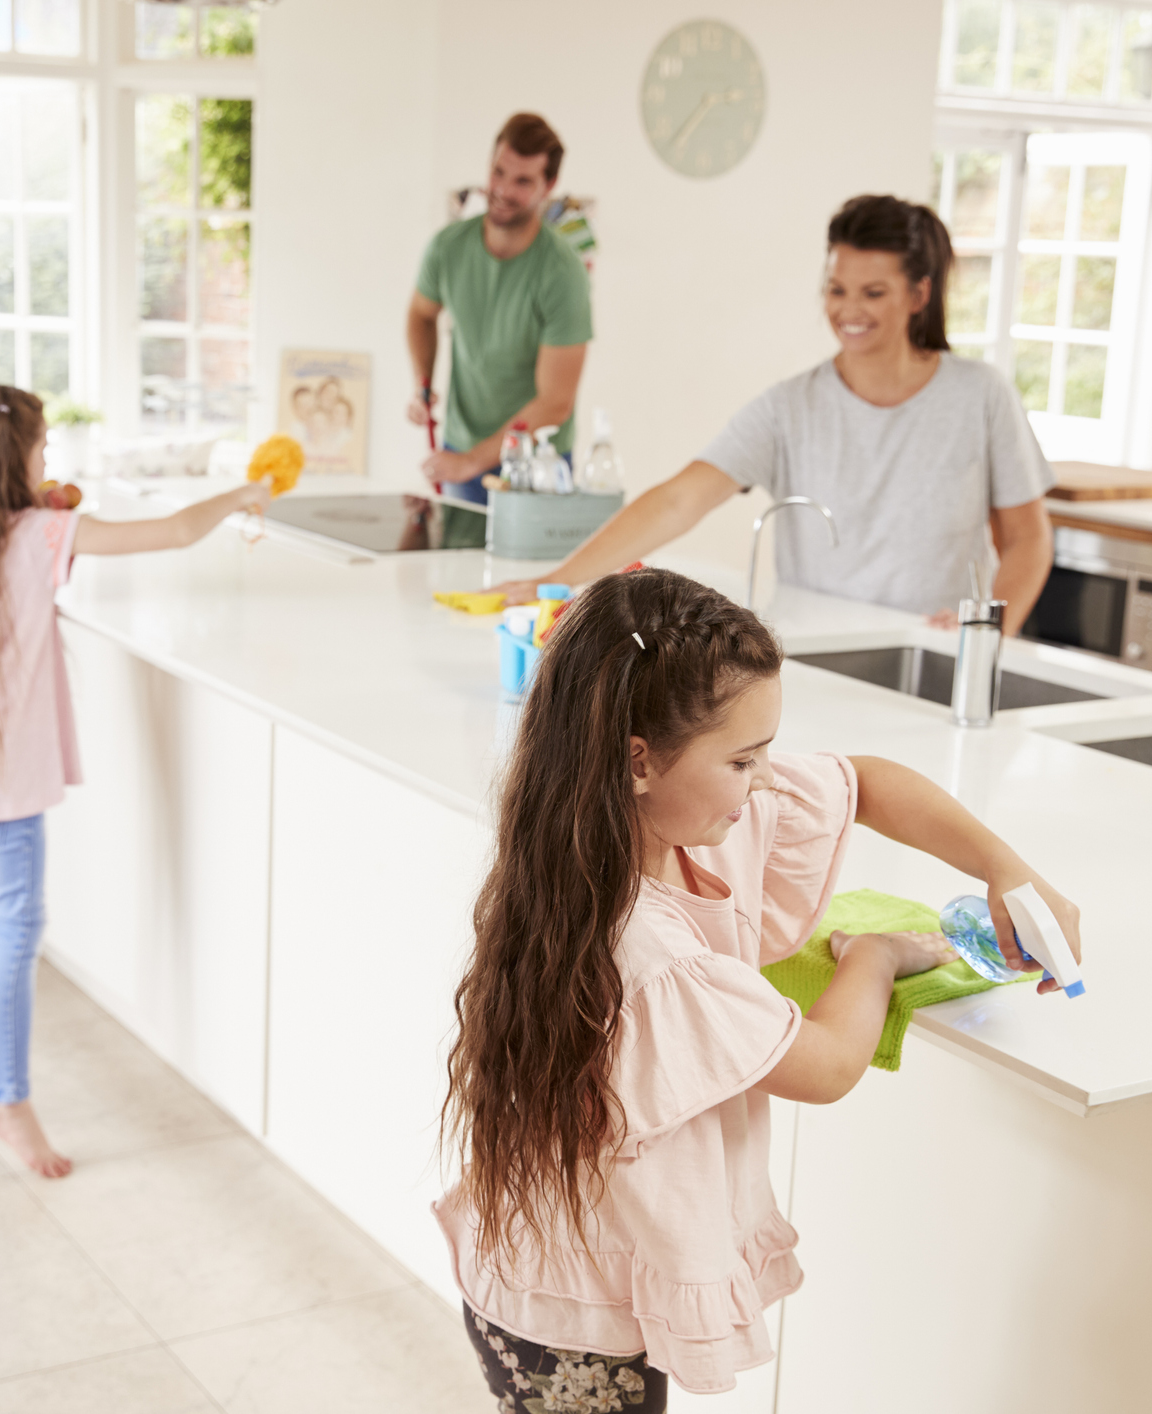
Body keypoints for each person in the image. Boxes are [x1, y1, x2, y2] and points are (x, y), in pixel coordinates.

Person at [438, 568, 1083, 1405]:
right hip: (573, 1328)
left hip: (557, 1276)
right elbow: (822, 1067)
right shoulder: (644, 951)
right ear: (639, 759)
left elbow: (868, 784)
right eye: (744, 759)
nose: (769, 780)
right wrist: (874, 959)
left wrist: (1009, 872)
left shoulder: (645, 828)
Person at [0, 384, 273, 1177]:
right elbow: (169, 532)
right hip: (2, 779)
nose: (47, 462)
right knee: (18, 927)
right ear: (13, 461)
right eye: (40, 450)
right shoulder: (39, 535)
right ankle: (5, 1097)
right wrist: (242, 492)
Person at [497, 196, 1055, 631]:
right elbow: (678, 500)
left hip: (931, 651)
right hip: (812, 654)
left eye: (874, 293)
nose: (849, 310)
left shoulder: (981, 397)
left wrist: (987, 626)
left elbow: (1028, 538)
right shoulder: (791, 407)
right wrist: (560, 582)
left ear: (918, 296)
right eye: (837, 289)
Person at [407, 112, 592, 503]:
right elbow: (421, 314)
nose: (504, 189)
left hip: (536, 462)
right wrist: (423, 382)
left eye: (523, 180)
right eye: (499, 172)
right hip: (463, 446)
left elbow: (556, 403)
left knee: (534, 567)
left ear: (549, 185)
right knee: (456, 563)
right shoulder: (447, 247)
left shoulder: (562, 273)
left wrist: (472, 461)